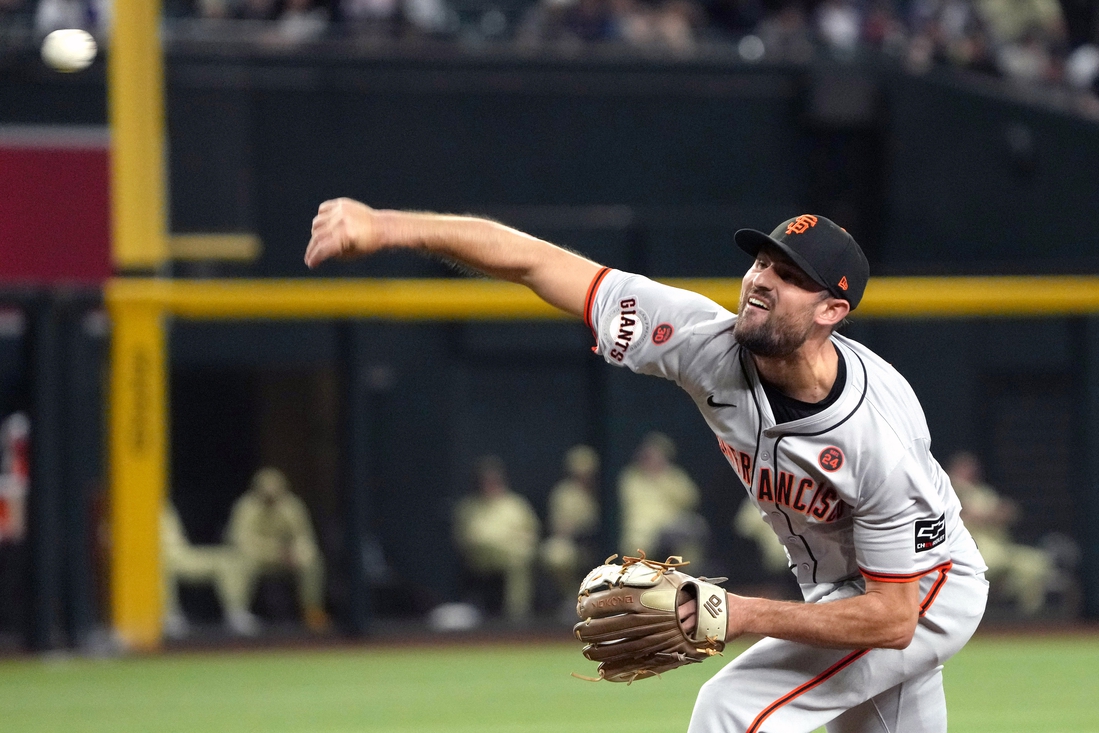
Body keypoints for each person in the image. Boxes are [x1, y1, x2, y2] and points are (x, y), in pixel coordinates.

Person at [305, 201, 988, 732]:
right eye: (761, 263)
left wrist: (741, 611)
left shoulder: (875, 437)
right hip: (845, 591)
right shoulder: (704, 341)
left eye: (788, 276)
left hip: (921, 592)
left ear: (831, 310)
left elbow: (892, 619)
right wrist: (386, 225)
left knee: (731, 706)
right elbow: (534, 263)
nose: (759, 281)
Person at [946, 451, 1058, 616]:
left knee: (1036, 563)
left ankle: (1028, 620)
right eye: (964, 468)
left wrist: (996, 514)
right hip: (972, 551)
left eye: (971, 468)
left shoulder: (983, 492)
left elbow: (1010, 512)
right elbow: (963, 513)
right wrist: (987, 515)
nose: (969, 472)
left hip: (1000, 548)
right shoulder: (947, 489)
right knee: (990, 565)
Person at [225, 467, 329, 632]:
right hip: (258, 556)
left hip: (286, 557)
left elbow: (304, 537)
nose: (270, 494)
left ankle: (312, 610)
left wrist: (296, 552)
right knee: (238, 562)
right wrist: (276, 550)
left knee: (311, 560)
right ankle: (238, 613)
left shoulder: (292, 506)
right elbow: (240, 541)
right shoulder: (246, 506)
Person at [453, 456, 541, 621]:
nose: (490, 485)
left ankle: (517, 615)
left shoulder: (516, 504)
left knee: (520, 557)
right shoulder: (468, 507)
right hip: (480, 560)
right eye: (486, 481)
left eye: (494, 480)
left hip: (512, 558)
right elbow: (469, 539)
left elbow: (531, 535)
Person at [160, 502, 258, 638]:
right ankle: (169, 616)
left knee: (227, 560)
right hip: (155, 560)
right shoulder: (132, 509)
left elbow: (177, 545)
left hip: (181, 555)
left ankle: (236, 614)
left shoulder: (162, 507)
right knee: (160, 565)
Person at [618, 431, 708, 563]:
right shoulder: (631, 477)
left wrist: (663, 477)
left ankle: (686, 576)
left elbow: (691, 499)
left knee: (695, 528)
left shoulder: (673, 475)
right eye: (649, 456)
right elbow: (633, 506)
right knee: (638, 545)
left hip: (671, 529)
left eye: (657, 456)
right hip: (643, 534)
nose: (653, 460)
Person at [540, 444, 601, 604]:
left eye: (587, 471)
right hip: (575, 543)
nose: (583, 475)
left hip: (603, 544)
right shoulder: (563, 492)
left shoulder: (604, 490)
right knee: (556, 554)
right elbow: (560, 528)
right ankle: (573, 596)